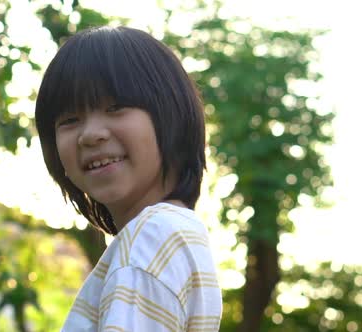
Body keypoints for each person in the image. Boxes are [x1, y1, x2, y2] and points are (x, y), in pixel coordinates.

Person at [35, 26, 222, 331]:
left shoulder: (153, 237)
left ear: (171, 114)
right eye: (69, 120)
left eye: (116, 107)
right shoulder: (173, 233)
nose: (91, 134)